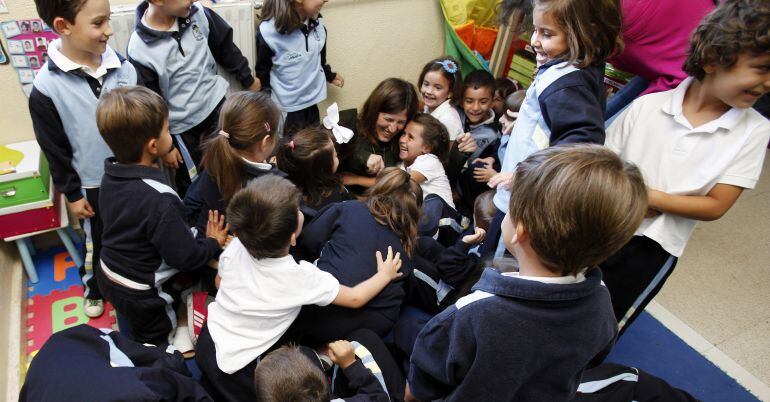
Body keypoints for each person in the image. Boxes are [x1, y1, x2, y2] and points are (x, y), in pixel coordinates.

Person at [408, 144, 648, 401]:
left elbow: (420, 388)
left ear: (520, 231)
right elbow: (595, 355)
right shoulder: (602, 302)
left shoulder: (474, 311)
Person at [602, 0, 770, 334]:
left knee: (606, 324)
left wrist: (648, 197)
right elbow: (603, 166)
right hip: (603, 226)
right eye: (762, 68)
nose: (767, 84)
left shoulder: (755, 131)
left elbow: (717, 204)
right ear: (712, 60)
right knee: (566, 299)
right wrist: (628, 197)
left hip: (653, 249)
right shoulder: (646, 107)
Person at [196, 175, 403, 401]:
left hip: (208, 341)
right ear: (293, 237)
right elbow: (355, 298)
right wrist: (384, 275)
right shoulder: (300, 277)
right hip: (240, 370)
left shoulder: (236, 246)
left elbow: (219, 283)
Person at [483, 0, 621, 257]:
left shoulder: (568, 85)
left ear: (583, 33)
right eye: (535, 30)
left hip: (522, 204)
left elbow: (581, 146)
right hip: (521, 196)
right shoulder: (573, 67)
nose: (535, 41)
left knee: (497, 263)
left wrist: (525, 176)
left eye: (547, 34)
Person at [29, 0, 140, 317]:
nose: (109, 30)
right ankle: (93, 286)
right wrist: (73, 194)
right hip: (93, 183)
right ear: (63, 26)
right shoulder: (46, 88)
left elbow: (145, 116)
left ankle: (135, 277)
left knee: (135, 229)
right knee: (99, 240)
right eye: (98, 23)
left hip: (132, 173)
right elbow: (54, 148)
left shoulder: (124, 67)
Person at [95, 86, 227, 346]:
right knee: (155, 338)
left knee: (131, 319)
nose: (171, 133)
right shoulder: (160, 200)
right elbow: (186, 257)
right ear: (154, 145)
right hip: (142, 293)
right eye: (167, 129)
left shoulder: (110, 175)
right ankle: (159, 360)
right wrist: (212, 242)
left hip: (108, 272)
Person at [127, 0, 259, 196]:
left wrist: (247, 79)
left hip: (217, 110)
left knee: (231, 167)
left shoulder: (199, 14)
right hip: (184, 130)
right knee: (195, 185)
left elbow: (225, 47)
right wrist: (167, 146)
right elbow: (151, 104)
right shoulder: (139, 48)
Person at [293, 168, 421, 342]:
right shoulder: (405, 251)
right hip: (374, 327)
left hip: (321, 316)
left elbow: (309, 239)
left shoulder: (350, 209)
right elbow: (407, 291)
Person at [185, 91, 283, 235]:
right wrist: (273, 170)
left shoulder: (215, 164)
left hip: (206, 242)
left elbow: (189, 204)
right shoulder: (273, 184)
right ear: (265, 142)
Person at [256, 0, 344, 136]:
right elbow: (263, 74)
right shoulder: (268, 32)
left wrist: (329, 76)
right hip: (287, 111)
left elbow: (318, 59)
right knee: (291, 153)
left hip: (312, 104)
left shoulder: (319, 27)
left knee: (312, 149)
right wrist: (264, 109)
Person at [338, 78, 418, 192]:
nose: (392, 129)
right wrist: (363, 157)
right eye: (388, 119)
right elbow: (319, 155)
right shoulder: (347, 122)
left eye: (401, 122)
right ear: (374, 110)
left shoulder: (404, 138)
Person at [398, 113, 455, 236]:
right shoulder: (403, 165)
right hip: (426, 227)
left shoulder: (429, 160)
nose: (403, 140)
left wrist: (356, 180)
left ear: (427, 148)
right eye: (403, 134)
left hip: (446, 226)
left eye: (410, 137)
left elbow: (398, 183)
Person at [275, 126, 352, 211]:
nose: (337, 153)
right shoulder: (336, 195)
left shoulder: (292, 194)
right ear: (323, 170)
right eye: (335, 155)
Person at [459, 69, 500, 162]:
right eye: (469, 101)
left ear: (492, 102)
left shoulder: (493, 135)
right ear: (461, 100)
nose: (476, 107)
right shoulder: (454, 114)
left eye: (483, 102)